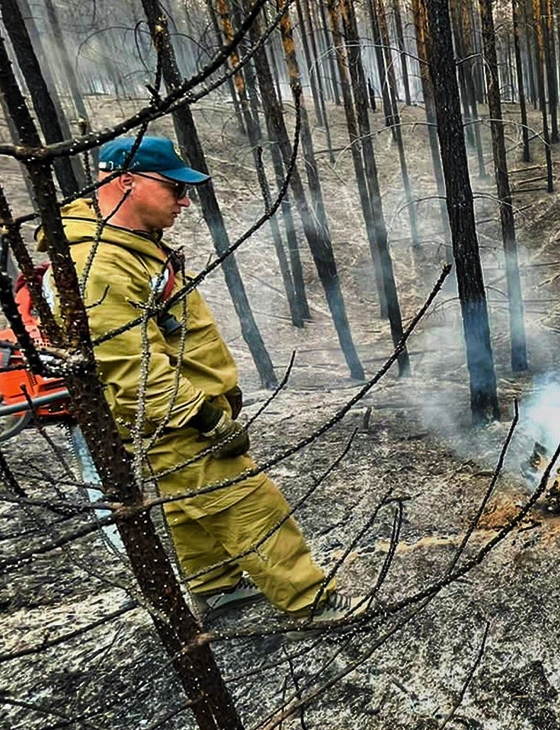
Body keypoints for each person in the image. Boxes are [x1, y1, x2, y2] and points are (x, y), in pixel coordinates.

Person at [40, 135, 367, 623]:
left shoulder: (130, 248)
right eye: (174, 187)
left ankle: (215, 589)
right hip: (172, 418)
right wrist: (207, 416)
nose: (184, 199)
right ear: (127, 181)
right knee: (247, 502)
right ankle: (309, 602)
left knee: (189, 503)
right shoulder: (100, 264)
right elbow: (131, 369)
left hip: (175, 413)